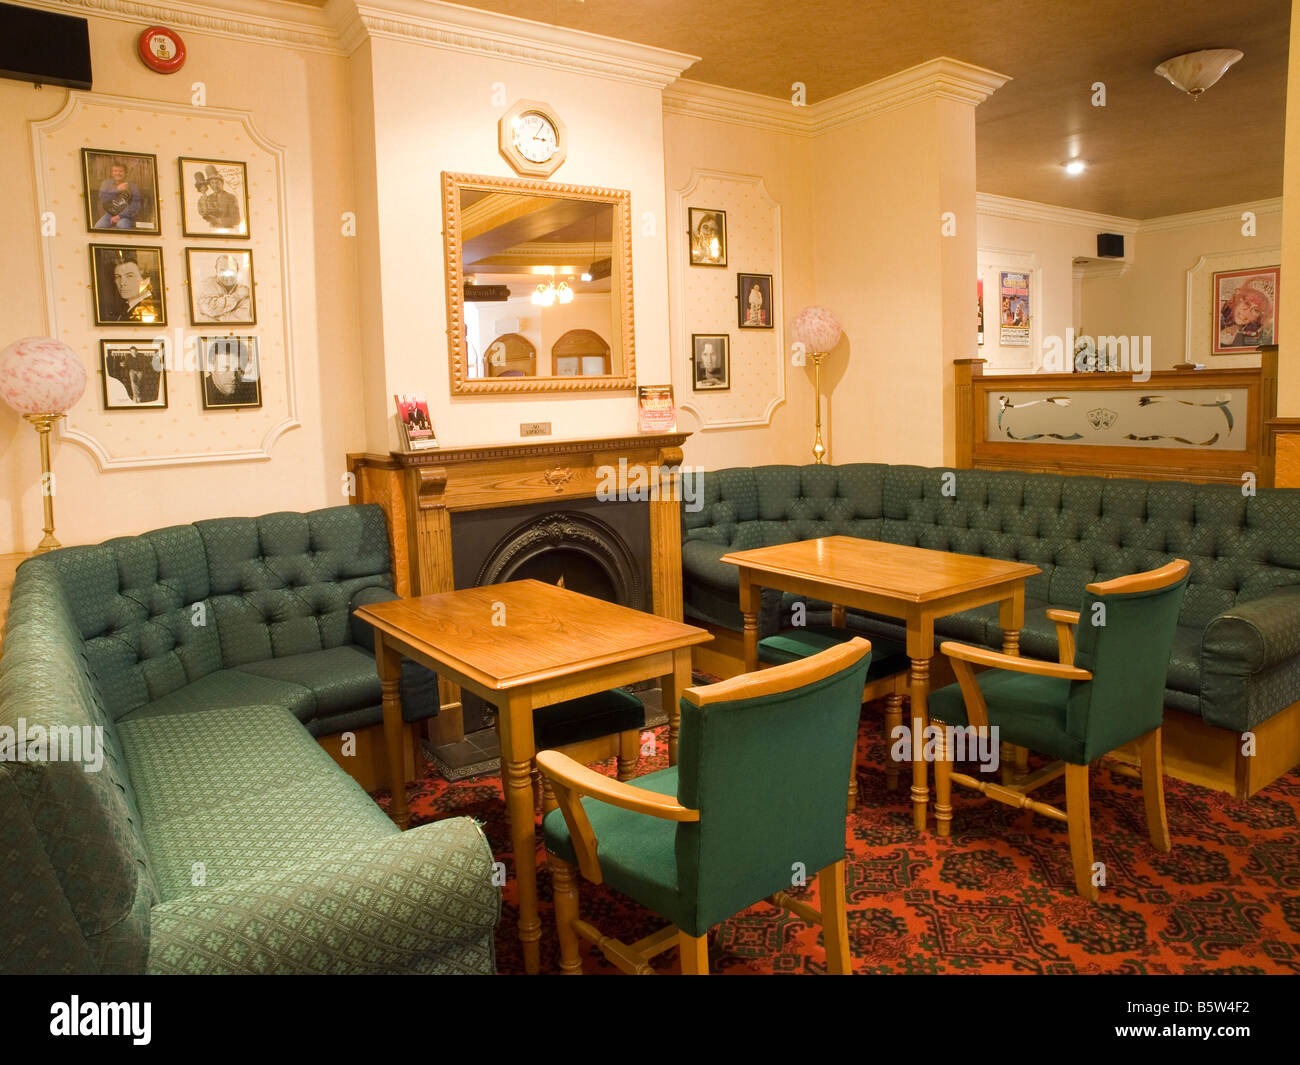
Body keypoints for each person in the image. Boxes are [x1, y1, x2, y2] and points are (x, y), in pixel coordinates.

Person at [103, 256, 162, 323]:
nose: (122, 283)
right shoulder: (127, 306)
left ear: (146, 279)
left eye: (129, 276)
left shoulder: (148, 308)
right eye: (118, 277)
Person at [196, 254, 252, 321]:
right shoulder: (205, 285)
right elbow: (209, 309)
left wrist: (215, 317)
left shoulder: (245, 291)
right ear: (216, 270)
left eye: (231, 270)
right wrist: (236, 297)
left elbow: (241, 319)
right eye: (222, 270)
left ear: (237, 270)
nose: (227, 275)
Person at [1218, 282, 1274, 349]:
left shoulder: (1256, 334)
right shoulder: (1219, 310)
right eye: (1246, 303)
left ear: (1259, 317)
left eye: (1256, 310)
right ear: (1237, 300)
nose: (1247, 312)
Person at [94, 162, 143, 230]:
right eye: (115, 171)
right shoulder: (106, 184)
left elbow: (136, 205)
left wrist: (120, 216)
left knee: (122, 225)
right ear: (112, 172)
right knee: (98, 227)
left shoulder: (133, 186)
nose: (117, 173)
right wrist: (117, 189)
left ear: (126, 173)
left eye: (120, 171)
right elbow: (103, 199)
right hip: (109, 214)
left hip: (126, 215)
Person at [196, 164, 241, 229]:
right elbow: (202, 212)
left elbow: (236, 220)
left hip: (229, 230)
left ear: (222, 183)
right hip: (212, 230)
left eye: (217, 182)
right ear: (210, 185)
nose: (215, 185)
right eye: (212, 183)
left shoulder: (231, 197)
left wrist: (218, 220)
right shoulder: (208, 198)